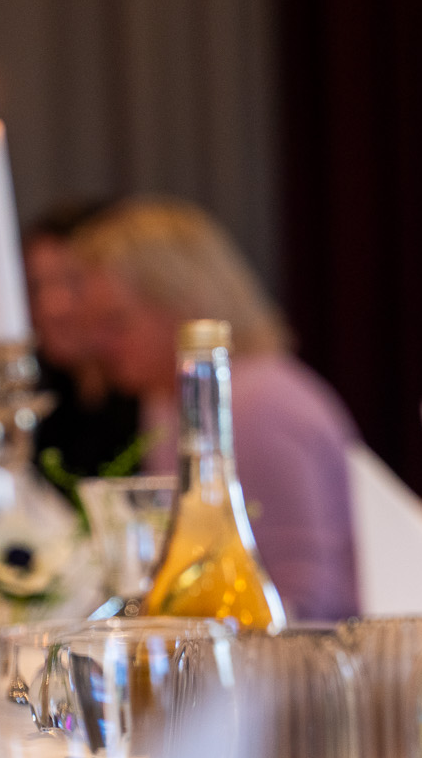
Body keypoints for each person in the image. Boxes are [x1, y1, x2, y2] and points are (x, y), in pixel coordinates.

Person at [73, 197, 361, 622]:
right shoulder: (167, 400)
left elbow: (310, 600)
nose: (97, 344)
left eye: (115, 322)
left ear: (185, 308)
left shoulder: (257, 405)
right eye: (91, 324)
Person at [24, 199, 141, 478]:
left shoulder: (151, 400)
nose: (52, 306)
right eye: (36, 286)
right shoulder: (43, 403)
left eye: (72, 281)